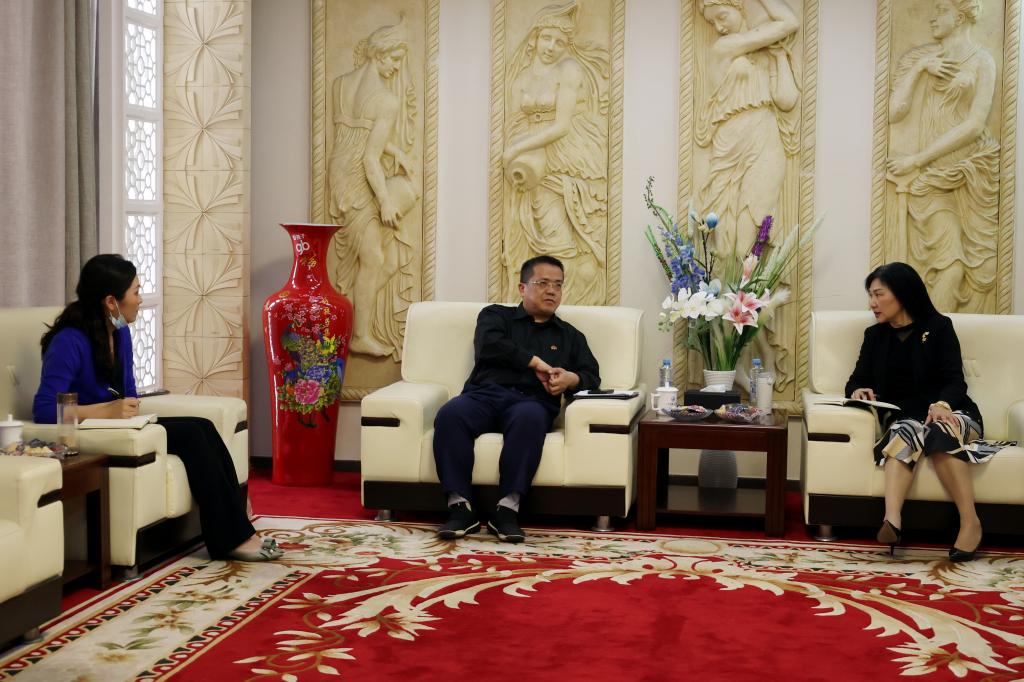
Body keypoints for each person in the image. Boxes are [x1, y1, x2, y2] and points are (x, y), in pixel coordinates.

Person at [33, 254, 282, 563]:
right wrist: (105, 411)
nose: (140, 300)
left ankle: (238, 528)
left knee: (202, 426)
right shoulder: (68, 341)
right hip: (92, 432)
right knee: (192, 435)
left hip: (124, 426)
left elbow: (128, 394)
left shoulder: (120, 333)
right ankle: (230, 541)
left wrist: (125, 409)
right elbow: (44, 409)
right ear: (111, 301)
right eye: (136, 292)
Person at [846, 262, 1012, 562]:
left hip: (953, 413)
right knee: (903, 430)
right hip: (910, 418)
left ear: (902, 294)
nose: (872, 303)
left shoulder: (939, 328)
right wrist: (858, 390)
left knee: (938, 431)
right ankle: (892, 521)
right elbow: (856, 380)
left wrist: (942, 404)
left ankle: (970, 522)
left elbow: (955, 381)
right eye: (870, 295)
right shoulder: (874, 337)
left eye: (878, 294)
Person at [433, 255, 600, 543]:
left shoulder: (570, 336)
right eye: (543, 283)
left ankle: (506, 511)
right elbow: (489, 346)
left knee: (529, 418)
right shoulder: (496, 316)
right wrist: (535, 362)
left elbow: (592, 376)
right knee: (450, 413)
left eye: (558, 285)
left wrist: (570, 379)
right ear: (523, 288)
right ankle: (460, 508)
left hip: (531, 402)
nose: (552, 291)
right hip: (484, 395)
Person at [885, 0, 998, 313]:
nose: (933, 17)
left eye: (940, 10)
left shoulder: (983, 61)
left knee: (981, 266)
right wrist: (921, 69)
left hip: (973, 173)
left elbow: (975, 125)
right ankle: (931, 340)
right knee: (951, 265)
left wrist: (917, 159)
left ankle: (940, 338)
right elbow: (895, 113)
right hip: (931, 177)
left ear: (959, 16)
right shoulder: (920, 58)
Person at [502, 0, 609, 305]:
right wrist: (518, 150)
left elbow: (561, 125)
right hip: (535, 158)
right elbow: (515, 119)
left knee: (558, 237)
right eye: (546, 38)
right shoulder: (522, 76)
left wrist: (516, 148)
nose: (551, 47)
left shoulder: (569, 69)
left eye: (559, 42)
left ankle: (569, 305)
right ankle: (542, 307)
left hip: (564, 157)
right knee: (539, 237)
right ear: (535, 38)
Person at [327, 14, 417, 359]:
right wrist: (385, 201)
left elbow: (356, 134)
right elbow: (369, 158)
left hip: (340, 173)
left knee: (380, 259)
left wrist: (395, 151)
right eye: (394, 59)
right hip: (361, 179)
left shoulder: (340, 85)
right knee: (375, 258)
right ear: (379, 54)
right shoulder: (386, 100)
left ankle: (352, 316)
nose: (396, 67)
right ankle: (359, 334)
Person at [697, 0, 799, 256]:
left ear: (739, 6)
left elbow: (787, 100)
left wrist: (779, 56)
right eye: (712, 22)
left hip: (765, 134)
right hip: (731, 141)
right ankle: (728, 277)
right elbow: (788, 22)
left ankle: (748, 277)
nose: (718, 27)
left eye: (722, 16)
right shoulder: (723, 47)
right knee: (721, 233)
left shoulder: (764, 51)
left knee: (758, 210)